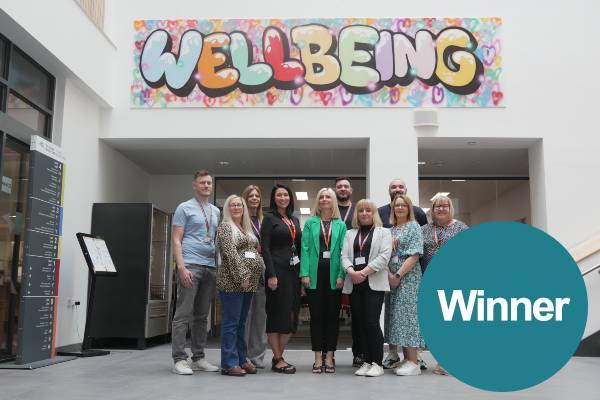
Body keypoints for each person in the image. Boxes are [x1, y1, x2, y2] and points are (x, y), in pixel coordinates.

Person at [171, 170, 220, 375]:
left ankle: (198, 357)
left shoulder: (215, 211)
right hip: (190, 265)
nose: (206, 186)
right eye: (202, 182)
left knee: (201, 316)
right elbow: (176, 239)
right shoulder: (184, 208)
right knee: (183, 314)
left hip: (210, 267)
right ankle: (179, 359)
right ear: (194, 185)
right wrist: (181, 267)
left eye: (209, 183)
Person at [341, 199, 392, 377]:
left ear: (374, 213)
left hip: (373, 283)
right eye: (361, 210)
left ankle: (377, 362)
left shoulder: (383, 232)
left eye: (368, 210)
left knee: (371, 323)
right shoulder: (350, 233)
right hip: (354, 283)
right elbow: (344, 256)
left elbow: (384, 256)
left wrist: (362, 272)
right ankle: (367, 361)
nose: (364, 213)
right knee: (360, 324)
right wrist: (350, 271)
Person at [216, 195, 265, 376]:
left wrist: (256, 277)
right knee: (231, 323)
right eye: (233, 205)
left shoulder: (246, 228)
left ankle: (241, 359)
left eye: (239, 205)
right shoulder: (225, 227)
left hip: (249, 284)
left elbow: (253, 253)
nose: (236, 207)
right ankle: (229, 363)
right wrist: (242, 275)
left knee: (241, 324)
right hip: (232, 282)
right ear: (227, 208)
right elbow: (230, 254)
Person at [300, 188, 347, 374]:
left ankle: (330, 357)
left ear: (333, 201)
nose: (325, 199)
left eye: (328, 197)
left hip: (334, 276)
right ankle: (318, 357)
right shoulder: (310, 223)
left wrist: (342, 275)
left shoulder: (340, 225)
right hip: (314, 276)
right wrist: (304, 273)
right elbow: (304, 249)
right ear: (318, 201)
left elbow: (344, 252)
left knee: (332, 317)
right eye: (322, 197)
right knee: (317, 317)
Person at [421, 195, 468, 375]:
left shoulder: (460, 227)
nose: (440, 209)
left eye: (444, 206)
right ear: (432, 210)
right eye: (437, 206)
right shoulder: (425, 229)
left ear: (450, 208)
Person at [260, 183, 302, 373]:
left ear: (290, 198)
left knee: (292, 315)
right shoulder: (269, 218)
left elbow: (298, 246)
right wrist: (271, 274)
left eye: (286, 195)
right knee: (277, 313)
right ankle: (278, 359)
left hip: (293, 273)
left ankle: (278, 357)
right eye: (279, 195)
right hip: (277, 272)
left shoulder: (294, 219)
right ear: (274, 198)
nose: (283, 198)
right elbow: (265, 248)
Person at [383, 194, 425, 376]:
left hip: (408, 279)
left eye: (403, 205)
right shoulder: (391, 230)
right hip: (393, 280)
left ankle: (414, 362)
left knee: (408, 317)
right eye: (397, 205)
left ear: (409, 209)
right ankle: (407, 359)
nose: (400, 208)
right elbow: (384, 255)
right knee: (398, 318)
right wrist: (390, 276)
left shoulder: (413, 226)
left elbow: (414, 255)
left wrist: (398, 275)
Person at [334, 176, 363, 367]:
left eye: (346, 186)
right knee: (330, 313)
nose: (343, 189)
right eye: (339, 186)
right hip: (331, 268)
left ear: (351, 190)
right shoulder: (329, 209)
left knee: (358, 314)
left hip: (354, 268)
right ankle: (328, 354)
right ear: (335, 190)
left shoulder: (357, 210)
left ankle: (359, 353)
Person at [241, 185, 268, 369]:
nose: (254, 198)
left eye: (257, 195)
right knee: (245, 316)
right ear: (245, 198)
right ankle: (242, 356)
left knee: (260, 316)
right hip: (244, 270)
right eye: (250, 196)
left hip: (262, 271)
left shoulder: (263, 220)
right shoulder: (239, 220)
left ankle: (257, 356)